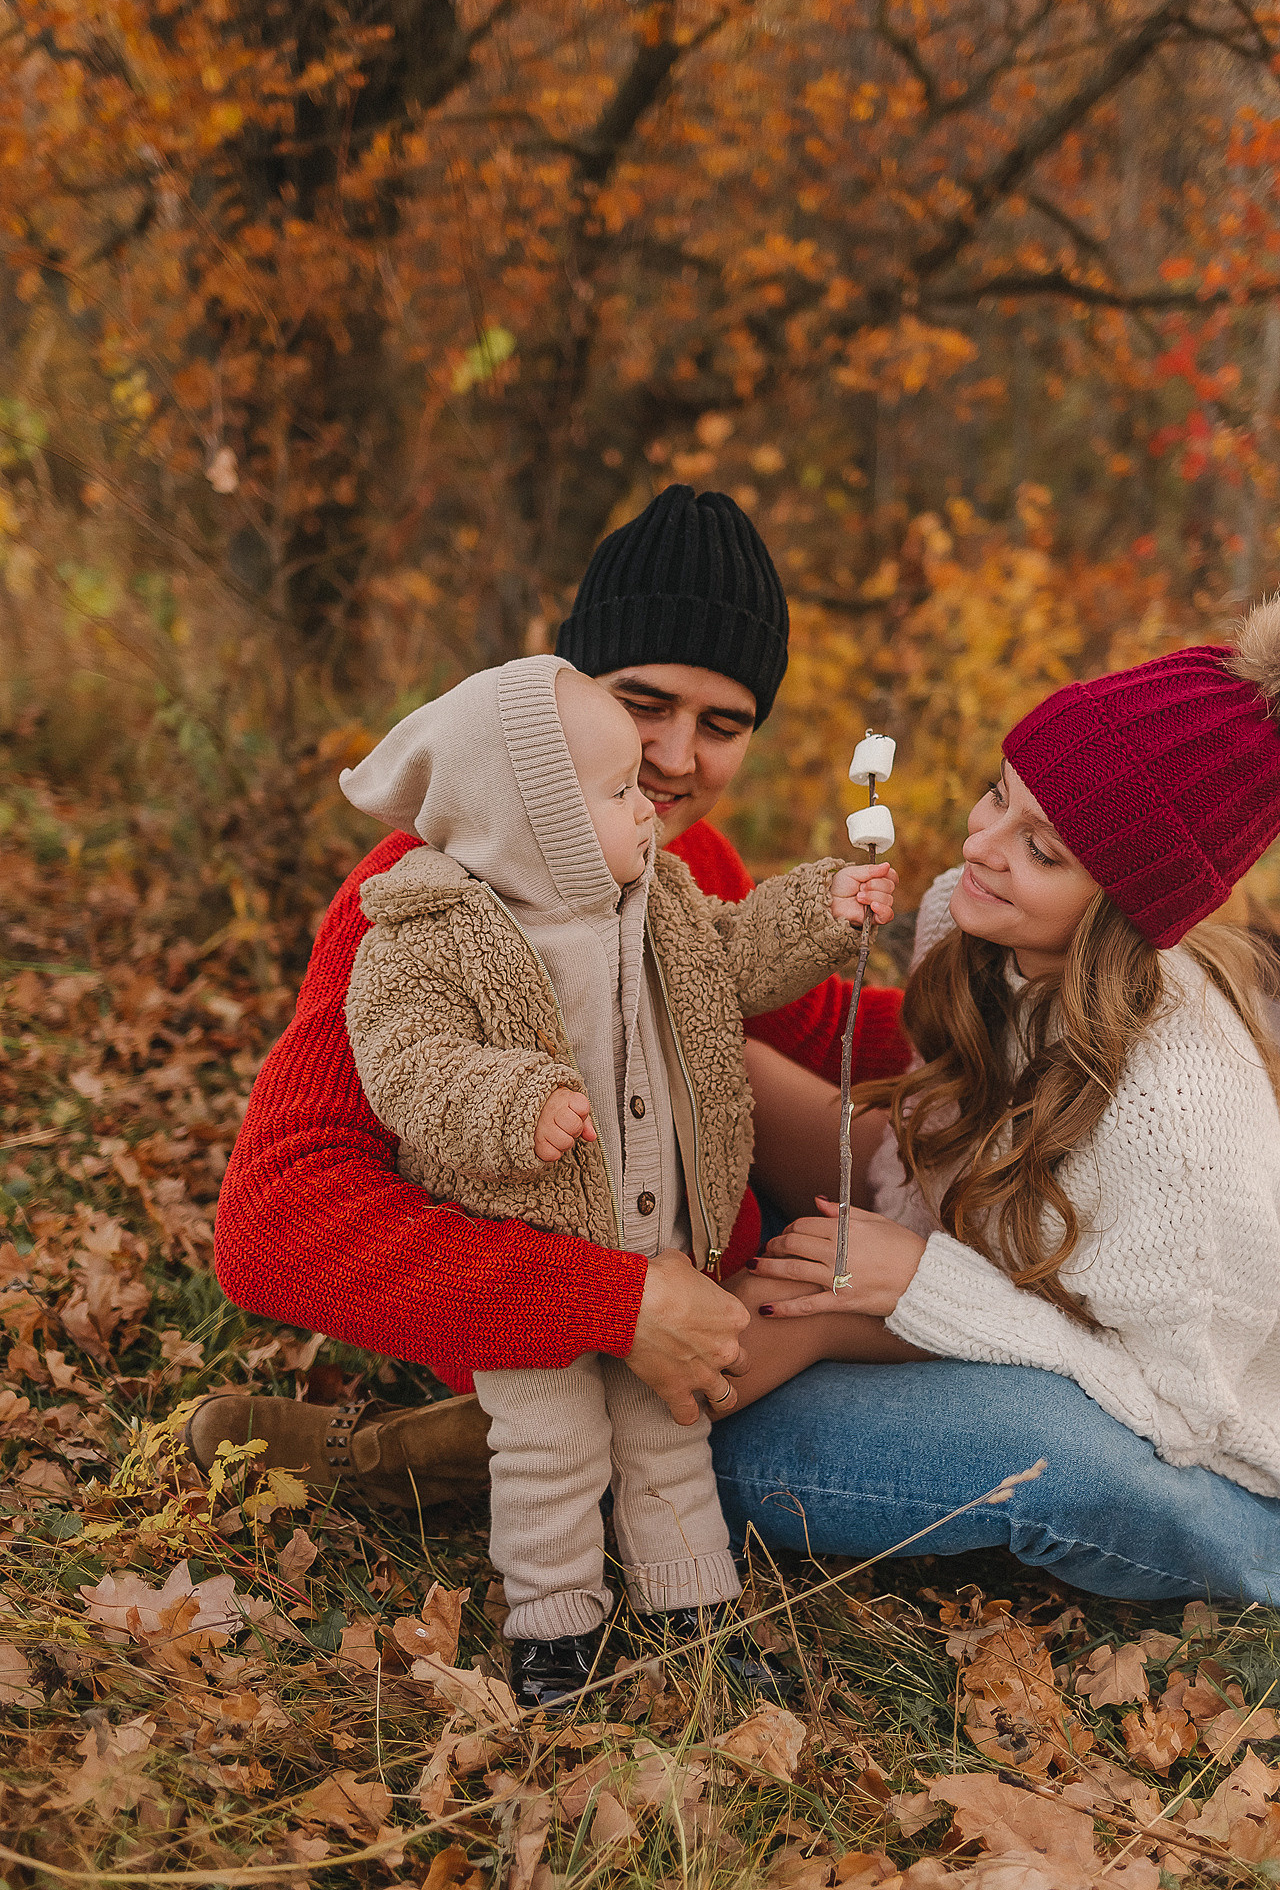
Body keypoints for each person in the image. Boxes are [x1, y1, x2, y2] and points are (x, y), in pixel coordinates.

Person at [201, 485, 910, 1506]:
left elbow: (807, 1024)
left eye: (721, 724)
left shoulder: (677, 852)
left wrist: (1011, 1005)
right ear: (565, 687)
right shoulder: (416, 893)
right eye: (644, 704)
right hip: (542, 1317)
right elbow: (272, 1222)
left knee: (782, 1086)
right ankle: (443, 1452)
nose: (674, 759)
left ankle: (473, 1457)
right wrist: (610, 1306)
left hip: (703, 1278)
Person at [335, 655, 894, 1703]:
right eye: (621, 790)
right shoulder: (425, 936)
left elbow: (735, 956)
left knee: (667, 1435)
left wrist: (822, 908)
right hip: (529, 1262)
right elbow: (405, 1063)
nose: (650, 808)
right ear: (532, 816)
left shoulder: (661, 900)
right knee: (547, 1453)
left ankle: (692, 1610)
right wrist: (513, 1102)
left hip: (663, 1251)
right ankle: (553, 1629)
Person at [712, 601, 1280, 1606]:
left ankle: (594, 1455)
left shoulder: (1177, 1112)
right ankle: (590, 1388)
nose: (983, 845)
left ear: (1129, 904)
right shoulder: (974, 923)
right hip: (1005, 1282)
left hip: (1193, 1464)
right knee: (718, 1065)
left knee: (1038, 1454)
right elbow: (932, 1159)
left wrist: (907, 1293)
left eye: (1044, 850)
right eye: (996, 797)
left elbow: (1178, 1411)